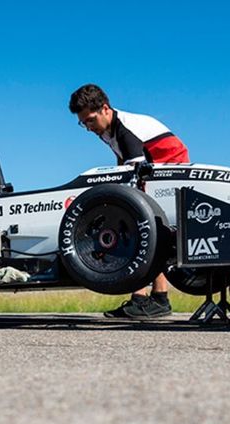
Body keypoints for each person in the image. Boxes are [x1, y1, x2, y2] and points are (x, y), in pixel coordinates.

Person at [69, 84, 189, 319]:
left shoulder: (125, 130)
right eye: (84, 123)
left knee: (140, 228)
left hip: (170, 166)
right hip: (153, 168)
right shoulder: (108, 130)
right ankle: (146, 298)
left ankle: (155, 298)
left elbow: (132, 175)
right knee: (138, 225)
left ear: (105, 109)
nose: (89, 127)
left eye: (91, 120)